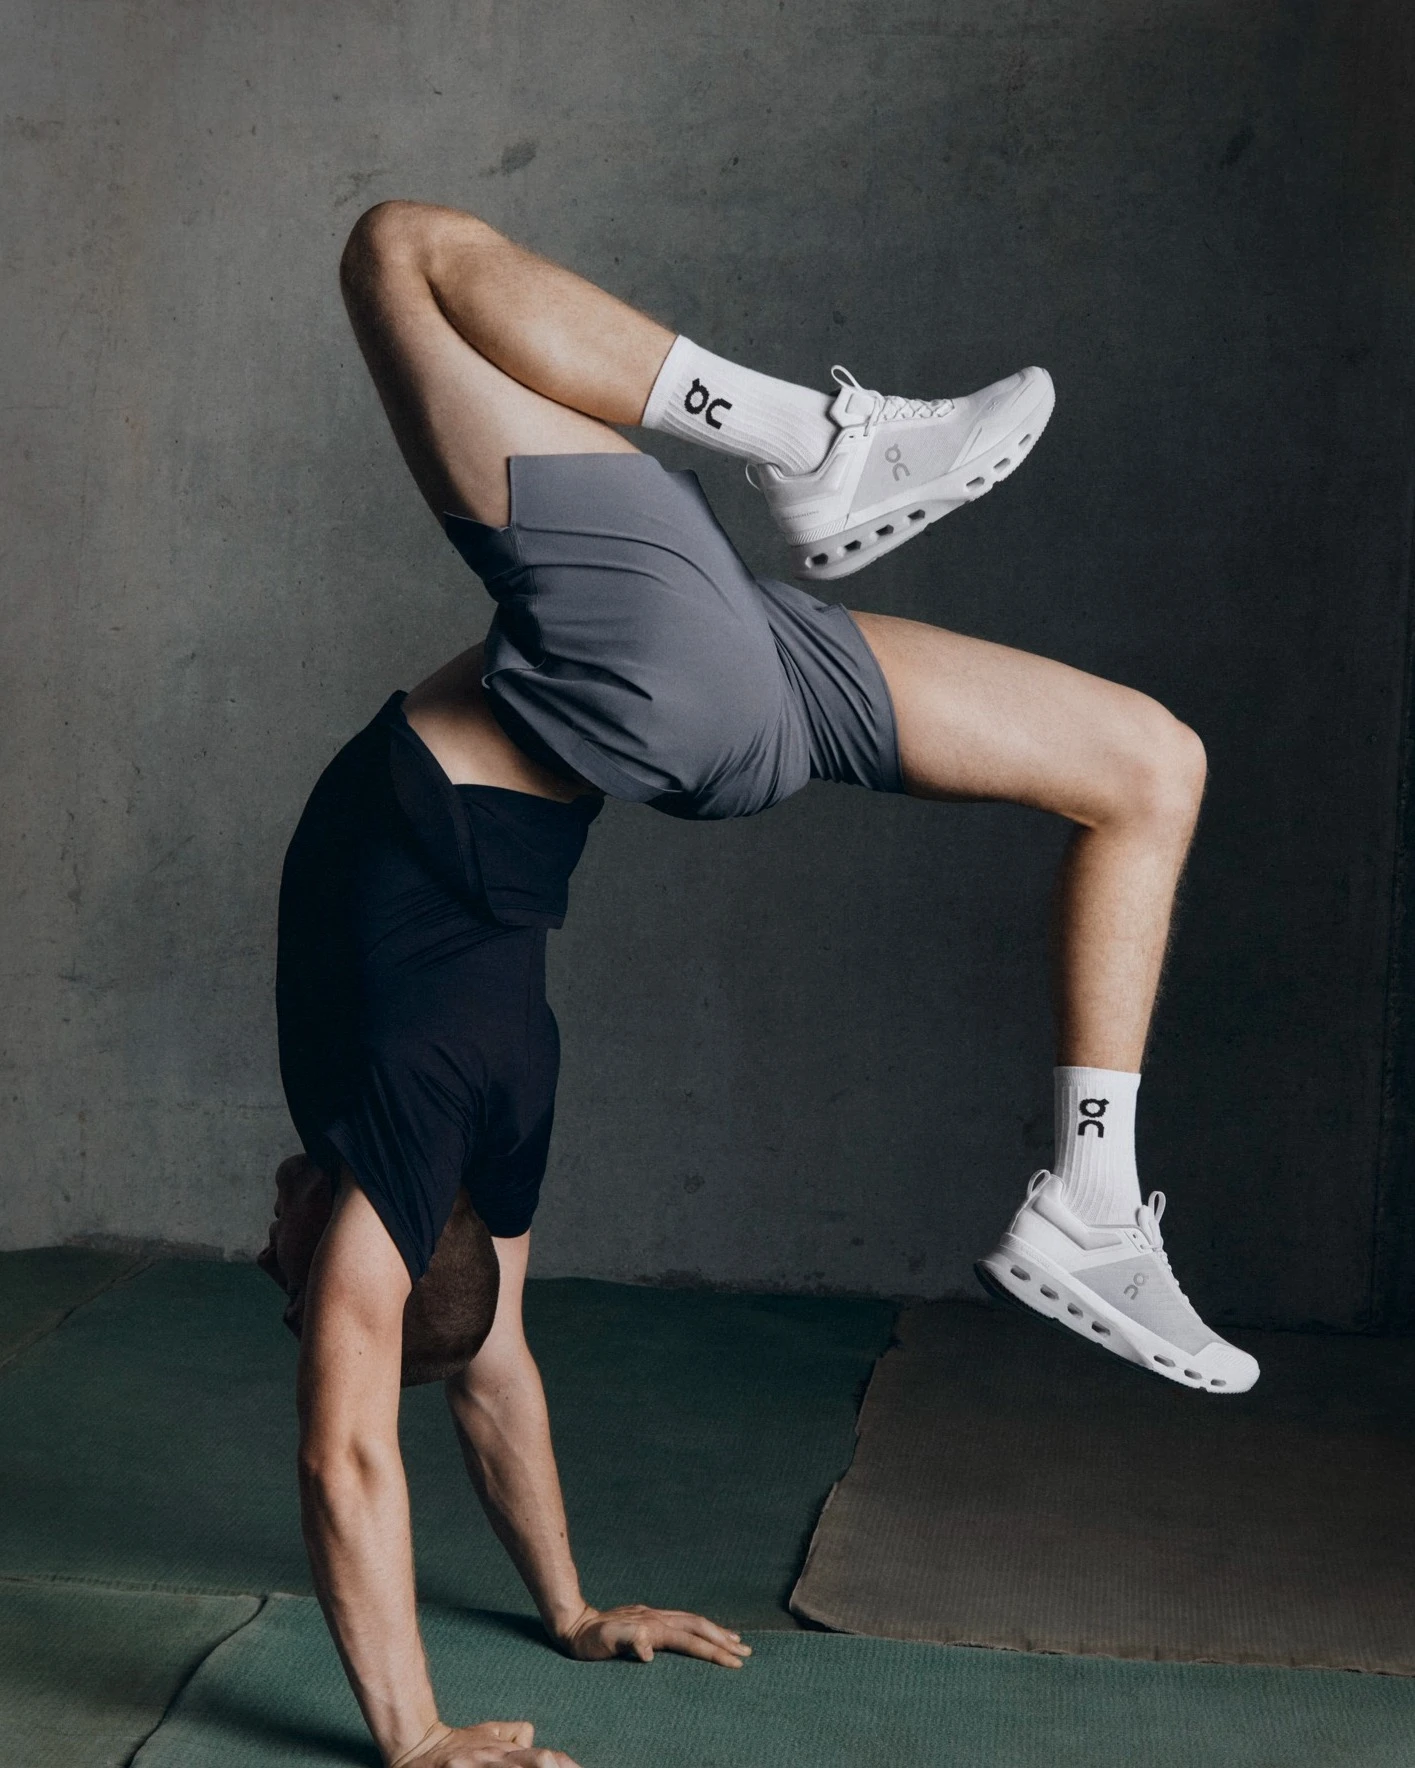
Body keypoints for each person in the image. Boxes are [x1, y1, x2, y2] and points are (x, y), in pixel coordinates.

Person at [280, 197, 1255, 1768]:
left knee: (1147, 765)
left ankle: (1090, 1190)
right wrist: (414, 1737)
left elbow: (491, 1374)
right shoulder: (389, 1130)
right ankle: (814, 442)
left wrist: (575, 1610)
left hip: (729, 682)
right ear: (362, 1252)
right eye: (294, 1267)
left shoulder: (490, 1147)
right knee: (399, 250)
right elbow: (348, 1450)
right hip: (655, 675)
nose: (269, 1245)